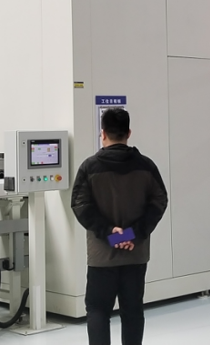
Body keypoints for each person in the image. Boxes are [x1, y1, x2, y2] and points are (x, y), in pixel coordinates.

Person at [71, 109, 169, 344]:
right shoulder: (146, 166)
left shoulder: (90, 167)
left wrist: (110, 233)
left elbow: (80, 204)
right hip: (135, 254)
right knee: (133, 310)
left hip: (102, 257)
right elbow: (159, 201)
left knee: (98, 310)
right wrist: (132, 234)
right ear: (129, 133)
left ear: (103, 133)